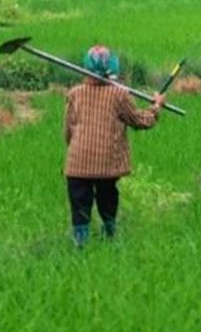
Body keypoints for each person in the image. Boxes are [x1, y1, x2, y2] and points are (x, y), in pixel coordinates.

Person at [63, 44, 163, 246]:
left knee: (79, 204)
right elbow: (139, 120)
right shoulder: (119, 94)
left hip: (77, 164)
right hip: (106, 164)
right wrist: (156, 107)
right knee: (107, 199)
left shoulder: (75, 93)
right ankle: (109, 237)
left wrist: (74, 150)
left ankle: (80, 244)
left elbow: (68, 128)